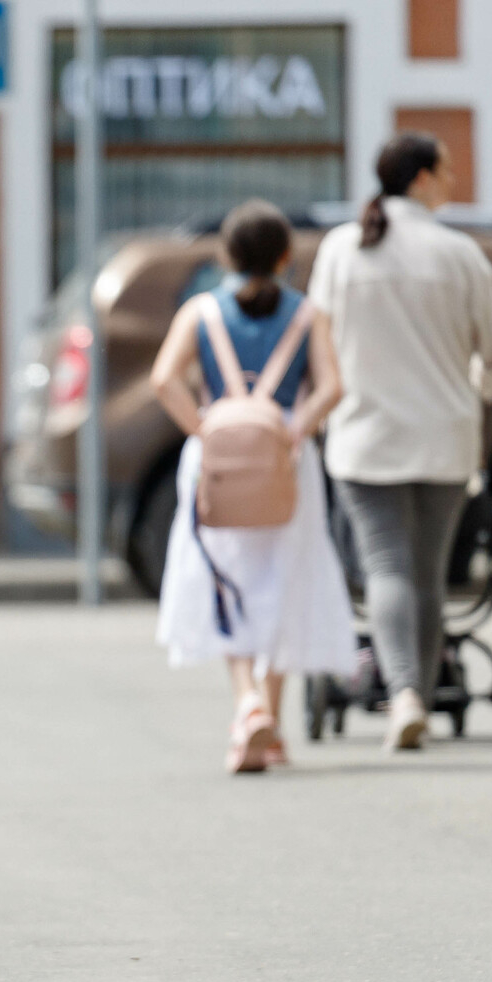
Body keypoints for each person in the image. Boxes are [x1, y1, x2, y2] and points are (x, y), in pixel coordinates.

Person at [308, 132, 492, 752]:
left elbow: (318, 342)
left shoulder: (340, 251)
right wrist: (478, 385)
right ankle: (419, 695)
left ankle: (403, 693)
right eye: (448, 170)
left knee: (385, 565)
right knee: (428, 574)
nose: (453, 182)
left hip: (362, 439)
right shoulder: (459, 255)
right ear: (423, 178)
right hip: (445, 440)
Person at [150, 200, 356, 772]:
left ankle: (246, 705)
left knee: (227, 583)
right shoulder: (307, 313)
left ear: (226, 255)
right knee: (283, 582)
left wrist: (205, 430)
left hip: (215, 467)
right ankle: (270, 715)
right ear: (287, 256)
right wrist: (294, 429)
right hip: (286, 466)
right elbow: (332, 387)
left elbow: (164, 379)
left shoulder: (200, 311)